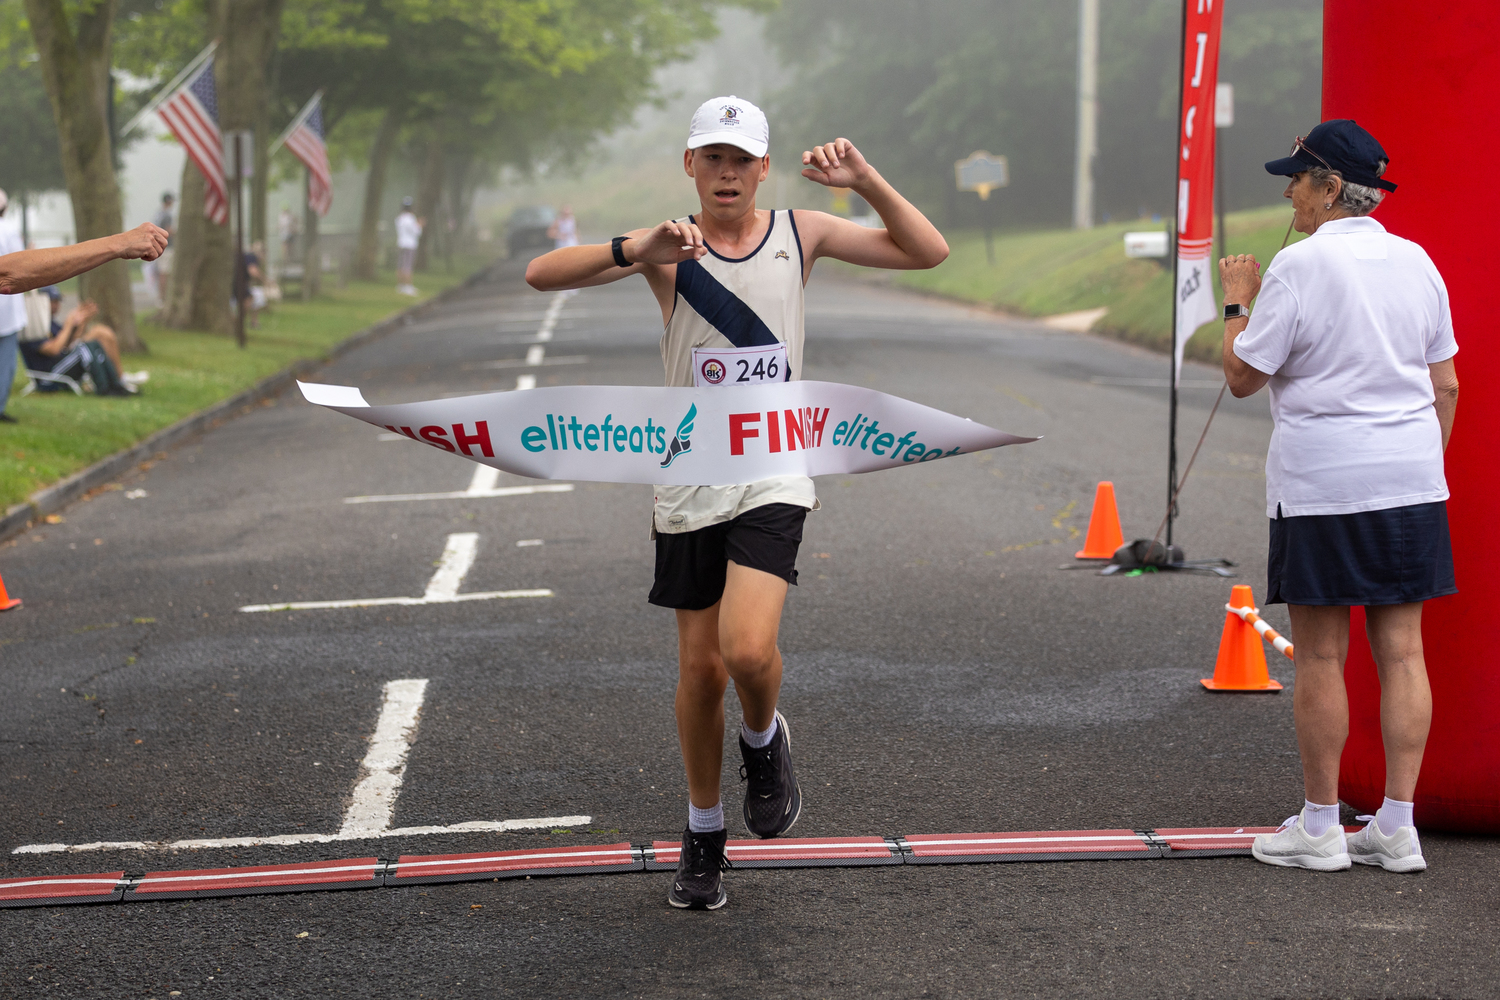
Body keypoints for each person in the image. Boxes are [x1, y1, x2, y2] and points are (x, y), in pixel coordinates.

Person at [526, 95, 948, 909]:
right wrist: (632, 246)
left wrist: (862, 180)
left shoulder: (801, 232)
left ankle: (764, 738)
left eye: (741, 159)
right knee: (700, 668)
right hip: (687, 471)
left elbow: (927, 251)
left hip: (773, 469)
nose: (726, 172)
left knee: (748, 652)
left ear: (763, 167)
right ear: (691, 166)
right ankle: (704, 830)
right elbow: (542, 275)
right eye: (711, 158)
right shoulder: (667, 246)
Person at [1220, 120, 1459, 874]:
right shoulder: (1417, 261)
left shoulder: (1300, 266)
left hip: (1324, 484)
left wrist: (1237, 301)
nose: (1288, 190)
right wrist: (1416, 465)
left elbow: (1241, 375)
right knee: (1403, 652)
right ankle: (1397, 825)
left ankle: (1321, 825)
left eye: (1296, 177)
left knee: (1322, 654)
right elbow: (1445, 382)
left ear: (1330, 188)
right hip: (1411, 483)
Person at [0, 212, 166, 422]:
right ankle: (112, 386)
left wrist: (78, 322)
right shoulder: (33, 322)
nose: (56, 303)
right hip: (48, 370)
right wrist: (119, 243)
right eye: (54, 299)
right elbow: (8, 274)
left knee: (100, 334)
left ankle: (119, 380)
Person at [19, 292, 133, 396]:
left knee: (94, 345)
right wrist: (69, 324)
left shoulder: (51, 323)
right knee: (84, 347)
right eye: (52, 302)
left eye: (57, 302)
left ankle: (117, 385)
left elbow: (68, 344)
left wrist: (82, 321)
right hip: (47, 378)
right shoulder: (32, 328)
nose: (56, 305)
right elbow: (53, 349)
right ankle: (104, 389)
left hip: (60, 368)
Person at [141, 191, 175, 305]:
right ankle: (163, 298)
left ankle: (161, 297)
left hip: (158, 246)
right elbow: (168, 230)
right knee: (164, 273)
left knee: (161, 272)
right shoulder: (167, 215)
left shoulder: (158, 213)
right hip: (167, 246)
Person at [394, 197, 424, 296]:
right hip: (410, 245)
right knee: (408, 265)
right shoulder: (411, 218)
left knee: (400, 265)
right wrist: (420, 224)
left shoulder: (399, 218)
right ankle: (407, 287)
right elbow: (416, 231)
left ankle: (400, 286)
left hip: (401, 243)